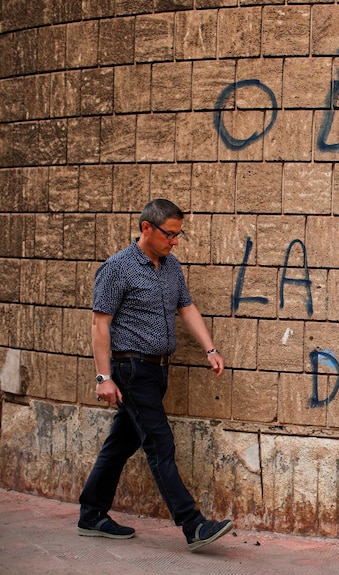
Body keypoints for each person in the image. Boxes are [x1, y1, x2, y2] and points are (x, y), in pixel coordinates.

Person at [78, 199, 233, 551]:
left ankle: (91, 513)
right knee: (159, 443)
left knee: (122, 443)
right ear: (146, 228)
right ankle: (193, 525)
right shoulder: (117, 268)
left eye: (179, 235)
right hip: (131, 369)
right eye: (170, 234)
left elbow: (186, 306)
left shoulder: (171, 266)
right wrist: (104, 377)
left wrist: (210, 349)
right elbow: (99, 325)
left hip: (158, 370)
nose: (175, 241)